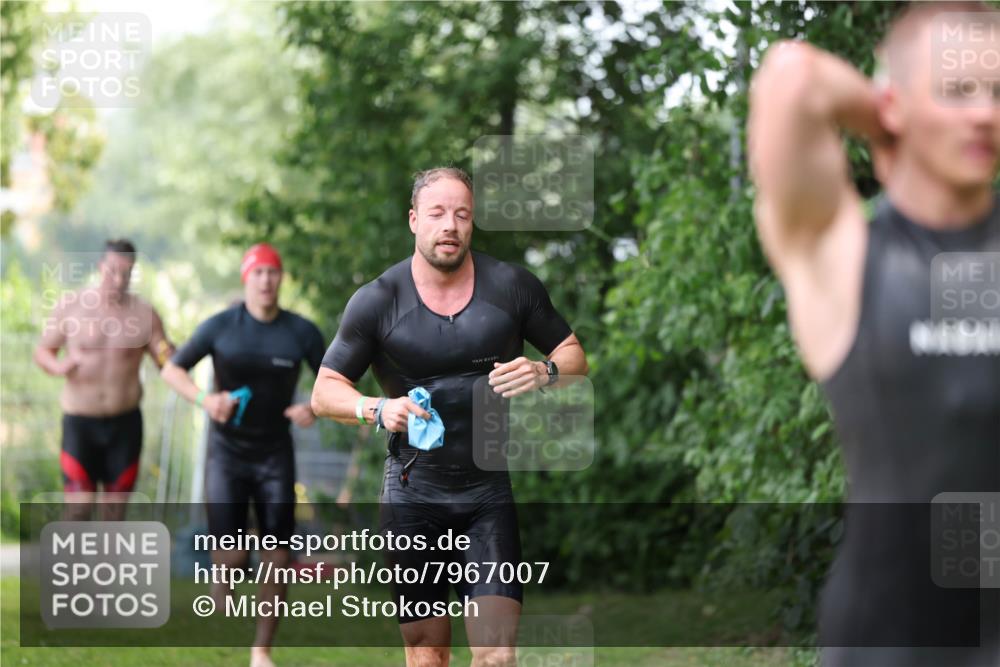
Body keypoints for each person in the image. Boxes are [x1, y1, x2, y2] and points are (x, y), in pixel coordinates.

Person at [748, 3, 999, 666]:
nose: (983, 112)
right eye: (957, 90)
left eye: (998, 92)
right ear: (894, 102)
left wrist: (925, 108)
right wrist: (887, 119)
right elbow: (791, 77)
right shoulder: (843, 254)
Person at [311, 166, 588, 667]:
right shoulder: (377, 300)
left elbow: (573, 356)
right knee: (428, 654)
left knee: (498, 654)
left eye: (462, 214)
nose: (450, 226)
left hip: (487, 495)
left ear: (473, 223)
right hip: (413, 497)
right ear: (414, 220)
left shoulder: (512, 288)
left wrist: (544, 371)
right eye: (437, 213)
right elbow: (324, 392)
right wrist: (377, 408)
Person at [161, 242, 325, 667]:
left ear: (280, 279)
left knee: (277, 553)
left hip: (274, 453)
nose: (267, 281)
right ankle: (225, 576)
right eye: (259, 273)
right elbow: (171, 368)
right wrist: (204, 400)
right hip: (227, 453)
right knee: (232, 555)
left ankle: (261, 651)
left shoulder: (301, 332)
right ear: (246, 278)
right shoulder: (220, 326)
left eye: (273, 273)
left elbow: (333, 381)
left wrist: (313, 407)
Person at [34, 238, 174, 520]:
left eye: (126, 272)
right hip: (80, 423)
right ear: (100, 267)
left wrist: (177, 353)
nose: (118, 279)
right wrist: (59, 367)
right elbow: (43, 351)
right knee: (79, 509)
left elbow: (166, 360)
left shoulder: (145, 315)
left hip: (124, 425)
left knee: (114, 514)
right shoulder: (71, 306)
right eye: (112, 270)